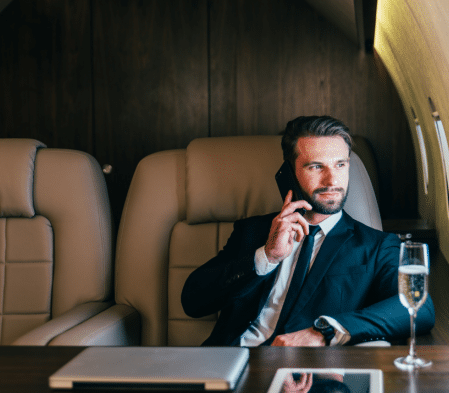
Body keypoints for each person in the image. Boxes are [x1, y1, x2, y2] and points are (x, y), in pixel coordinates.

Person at [181, 115, 435, 346]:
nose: (332, 181)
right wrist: (267, 257)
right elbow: (192, 301)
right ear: (290, 173)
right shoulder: (253, 231)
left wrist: (324, 332)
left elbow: (420, 309)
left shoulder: (378, 246)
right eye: (316, 167)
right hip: (230, 365)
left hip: (304, 378)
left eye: (340, 165)